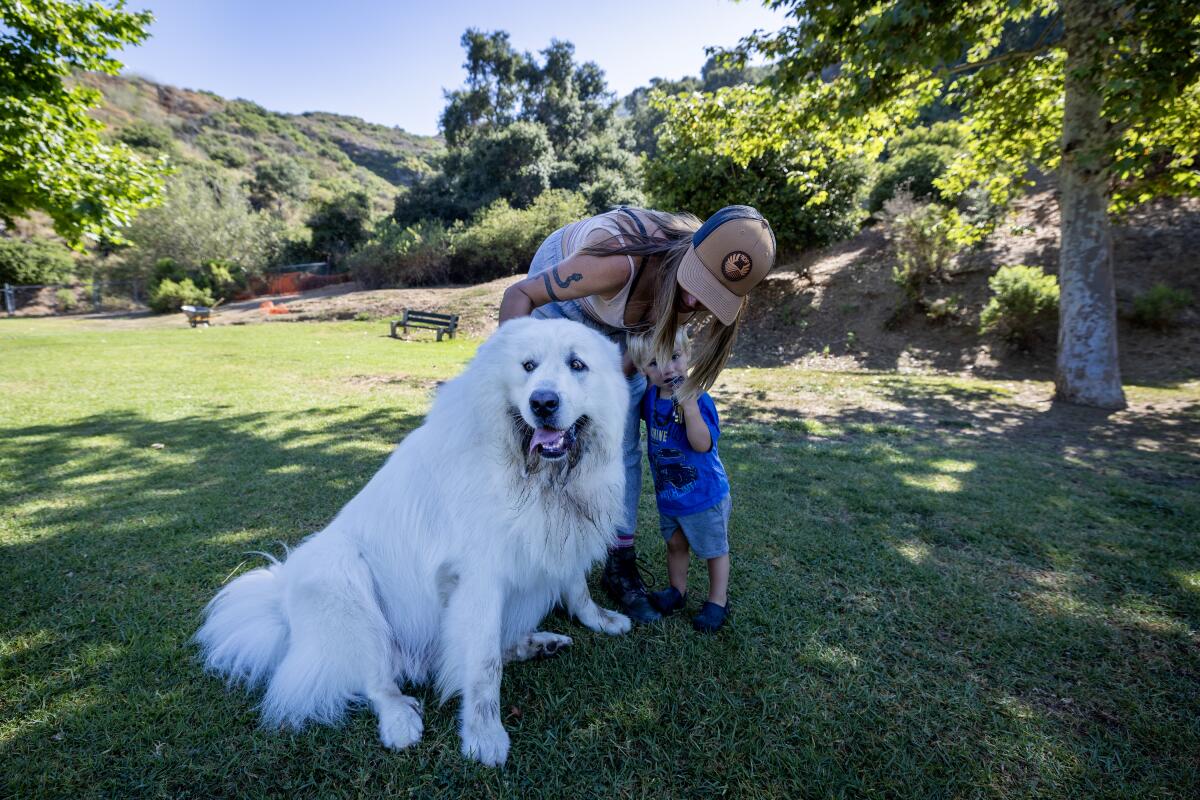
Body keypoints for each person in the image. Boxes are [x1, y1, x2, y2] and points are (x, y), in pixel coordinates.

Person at [499, 205, 775, 622]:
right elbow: (518, 294)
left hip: (627, 328)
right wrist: (515, 384)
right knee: (542, 436)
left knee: (619, 441)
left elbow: (629, 364)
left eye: (712, 296)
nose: (694, 300)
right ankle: (538, 553)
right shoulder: (616, 263)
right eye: (697, 280)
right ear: (688, 251)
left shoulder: (682, 295)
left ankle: (619, 559)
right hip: (563, 308)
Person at [627, 329, 731, 632]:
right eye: (654, 363)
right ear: (642, 370)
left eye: (673, 357)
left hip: (703, 494)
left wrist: (689, 407)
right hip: (669, 494)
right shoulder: (650, 397)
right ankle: (677, 591)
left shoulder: (699, 398)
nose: (667, 369)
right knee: (674, 544)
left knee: (714, 548)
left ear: (687, 353)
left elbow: (702, 444)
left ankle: (718, 600)